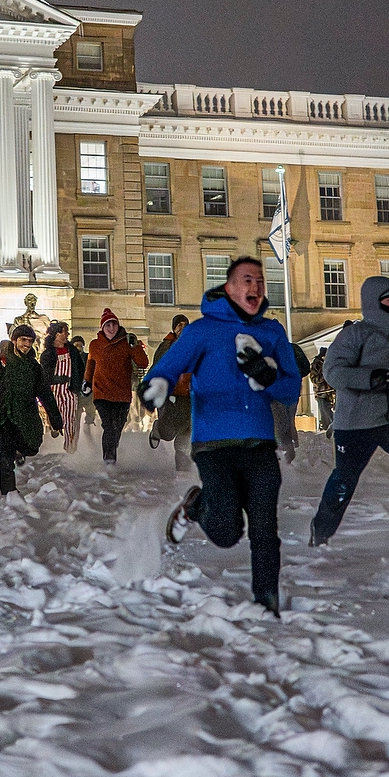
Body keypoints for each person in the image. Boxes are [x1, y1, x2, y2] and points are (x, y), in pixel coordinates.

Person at [142, 258, 301, 616]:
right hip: (214, 445)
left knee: (264, 528)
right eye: (247, 280)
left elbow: (291, 389)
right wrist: (155, 386)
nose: (256, 287)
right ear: (229, 288)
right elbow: (167, 367)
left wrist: (267, 373)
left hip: (260, 442)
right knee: (228, 532)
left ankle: (266, 603)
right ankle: (197, 505)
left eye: (260, 281)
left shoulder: (272, 332)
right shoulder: (201, 331)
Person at [310, 274, 389, 552]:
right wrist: (369, 378)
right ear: (373, 303)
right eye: (388, 300)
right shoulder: (355, 334)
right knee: (344, 480)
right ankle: (320, 533)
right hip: (356, 421)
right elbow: (332, 372)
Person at [0, 323, 63, 496]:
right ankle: (9, 494)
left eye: (30, 341)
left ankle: (19, 452)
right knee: (5, 459)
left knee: (32, 446)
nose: (27, 345)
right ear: (14, 340)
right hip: (2, 416)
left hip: (25, 415)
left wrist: (55, 418)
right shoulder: (1, 362)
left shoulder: (33, 366)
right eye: (23, 340)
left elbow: (45, 393)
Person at [84, 309, 149, 467]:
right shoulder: (95, 344)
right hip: (102, 392)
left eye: (114, 324)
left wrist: (135, 347)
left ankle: (112, 448)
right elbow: (91, 365)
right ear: (102, 327)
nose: (111, 328)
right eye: (108, 325)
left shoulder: (127, 343)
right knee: (108, 425)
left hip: (121, 393)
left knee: (119, 425)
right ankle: (109, 459)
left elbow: (143, 363)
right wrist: (86, 382)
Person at [149, 312, 195, 472]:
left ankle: (182, 459)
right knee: (169, 431)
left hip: (189, 394)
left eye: (185, 325)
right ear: (174, 329)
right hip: (170, 394)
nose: (182, 328)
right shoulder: (166, 346)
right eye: (179, 325)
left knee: (187, 428)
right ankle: (158, 429)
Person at [43, 322, 85, 453]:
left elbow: (80, 368)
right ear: (56, 334)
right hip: (53, 389)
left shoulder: (72, 351)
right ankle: (54, 426)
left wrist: (76, 386)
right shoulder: (48, 354)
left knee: (70, 419)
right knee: (54, 414)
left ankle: (70, 447)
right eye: (64, 331)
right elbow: (44, 374)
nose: (67, 334)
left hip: (69, 389)